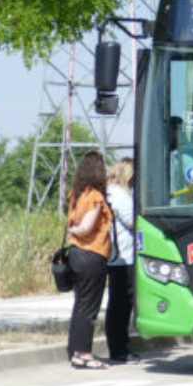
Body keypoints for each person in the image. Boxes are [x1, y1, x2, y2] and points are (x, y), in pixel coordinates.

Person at [65, 151, 113, 370]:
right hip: (92, 254)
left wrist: (72, 231)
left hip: (75, 255)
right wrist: (77, 230)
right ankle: (84, 353)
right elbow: (87, 227)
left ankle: (74, 351)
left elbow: (74, 224)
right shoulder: (95, 196)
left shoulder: (76, 195)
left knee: (79, 304)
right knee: (89, 307)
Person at [105, 159, 139, 364]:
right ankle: (119, 349)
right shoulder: (120, 195)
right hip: (124, 257)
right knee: (121, 305)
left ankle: (118, 347)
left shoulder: (109, 191)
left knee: (117, 304)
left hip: (114, 256)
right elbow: (133, 222)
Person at [169, 116, 193, 204]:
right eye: (179, 130)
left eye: (182, 131)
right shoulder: (157, 159)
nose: (183, 135)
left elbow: (192, 194)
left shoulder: (187, 162)